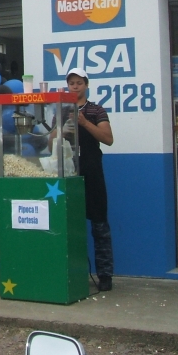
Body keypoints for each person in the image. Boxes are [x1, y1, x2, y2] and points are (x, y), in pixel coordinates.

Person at [63, 68, 115, 292]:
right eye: (71, 83)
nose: (75, 87)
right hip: (68, 173)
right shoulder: (61, 110)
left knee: (99, 225)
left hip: (92, 172)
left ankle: (105, 275)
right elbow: (49, 144)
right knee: (67, 224)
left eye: (79, 83)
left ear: (86, 84)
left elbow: (108, 139)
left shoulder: (96, 110)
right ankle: (71, 273)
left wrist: (84, 123)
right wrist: (60, 130)